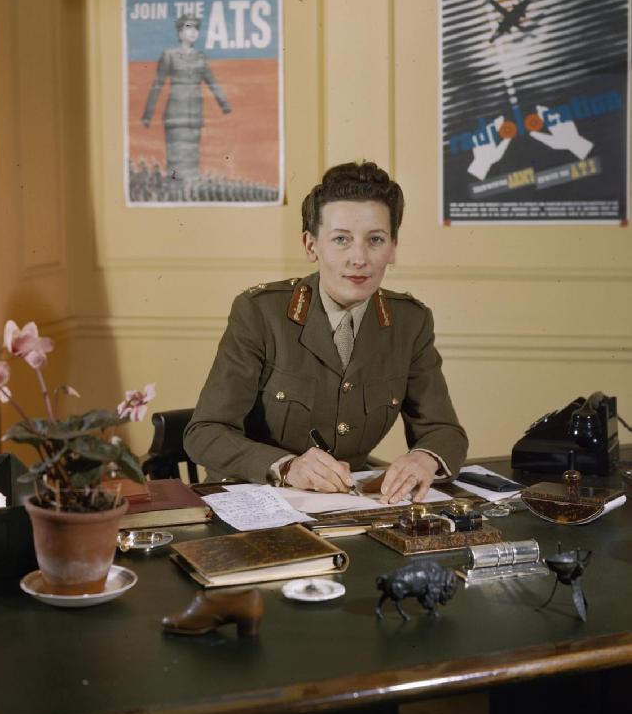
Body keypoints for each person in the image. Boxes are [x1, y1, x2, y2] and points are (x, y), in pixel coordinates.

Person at [184, 161, 467, 503]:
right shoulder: (261, 312)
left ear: (393, 247)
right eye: (341, 240)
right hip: (256, 498)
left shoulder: (410, 321)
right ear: (311, 245)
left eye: (375, 240)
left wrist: (425, 458)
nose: (359, 258)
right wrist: (287, 467)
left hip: (349, 505)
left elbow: (444, 430)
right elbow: (205, 433)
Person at [141, 13, 231, 190]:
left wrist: (224, 104)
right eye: (188, 28)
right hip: (175, 116)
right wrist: (147, 115)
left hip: (194, 117)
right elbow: (157, 85)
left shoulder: (200, 58)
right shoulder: (169, 55)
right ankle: (174, 193)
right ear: (180, 32)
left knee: (192, 158)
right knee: (175, 160)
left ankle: (190, 195)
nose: (193, 32)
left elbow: (212, 81)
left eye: (196, 28)